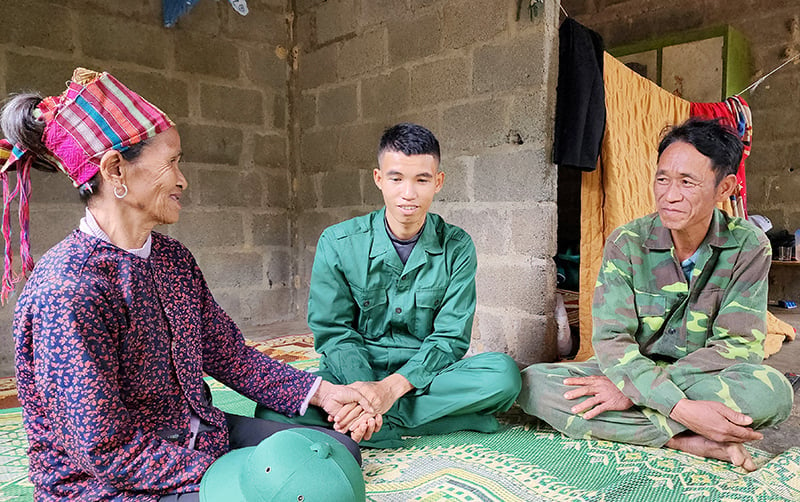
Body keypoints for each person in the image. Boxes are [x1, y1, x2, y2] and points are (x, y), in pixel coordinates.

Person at [2, 68, 378, 501]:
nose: (183, 180)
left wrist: (325, 394)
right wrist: (236, 473)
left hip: (197, 432)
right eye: (172, 163)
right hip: (114, 478)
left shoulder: (172, 259)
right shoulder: (68, 290)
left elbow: (229, 355)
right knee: (294, 491)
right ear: (115, 170)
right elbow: (103, 449)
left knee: (334, 456)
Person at [518, 118, 794, 471]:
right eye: (662, 179)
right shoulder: (627, 242)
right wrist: (680, 410)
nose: (669, 195)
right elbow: (612, 339)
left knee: (772, 392)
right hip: (632, 369)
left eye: (687, 182)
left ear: (724, 188)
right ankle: (684, 439)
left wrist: (637, 392)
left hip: (701, 378)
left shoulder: (748, 245)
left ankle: (649, 427)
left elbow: (738, 345)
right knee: (533, 384)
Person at [256, 123, 522, 447]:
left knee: (504, 376)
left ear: (438, 182)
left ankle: (370, 426)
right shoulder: (338, 242)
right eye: (396, 178)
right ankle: (443, 420)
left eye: (421, 180)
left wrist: (389, 390)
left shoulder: (457, 246)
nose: (408, 194)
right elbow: (334, 333)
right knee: (272, 408)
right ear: (379, 179)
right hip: (351, 375)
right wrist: (367, 391)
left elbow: (451, 339)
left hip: (423, 377)